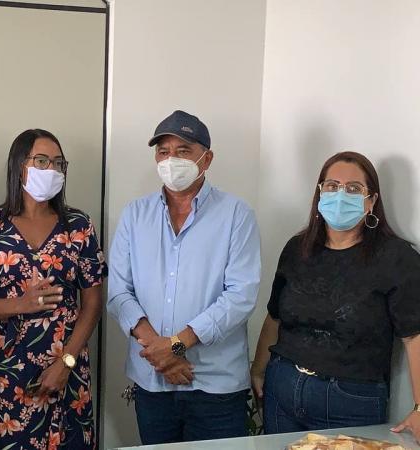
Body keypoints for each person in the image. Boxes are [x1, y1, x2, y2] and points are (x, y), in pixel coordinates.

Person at [107, 110, 261, 444]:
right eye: (163, 152)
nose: (171, 160)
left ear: (207, 159)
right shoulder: (135, 215)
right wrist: (160, 354)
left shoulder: (236, 215)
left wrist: (176, 346)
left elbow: (241, 295)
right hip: (153, 381)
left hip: (216, 387)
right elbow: (119, 292)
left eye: (183, 151)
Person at [0, 129, 106, 449]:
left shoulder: (79, 226)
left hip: (68, 370)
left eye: (58, 163)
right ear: (19, 165)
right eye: (41, 161)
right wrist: (21, 304)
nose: (51, 169)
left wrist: (65, 363)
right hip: (12, 373)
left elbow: (92, 304)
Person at [251, 151, 420, 442]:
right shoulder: (297, 249)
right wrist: (258, 369)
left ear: (371, 201)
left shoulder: (396, 258)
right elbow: (275, 316)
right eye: (331, 186)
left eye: (353, 188)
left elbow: (414, 337)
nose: (340, 195)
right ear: (319, 194)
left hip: (349, 400)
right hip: (282, 387)